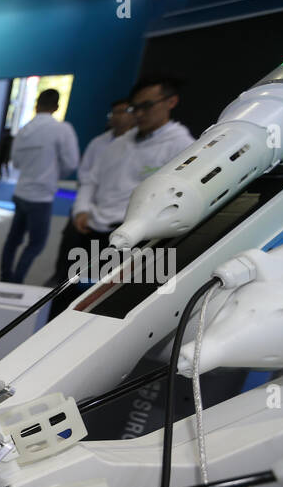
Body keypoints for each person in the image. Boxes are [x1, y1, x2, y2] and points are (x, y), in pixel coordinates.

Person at [50, 76, 195, 316]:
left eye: (147, 106)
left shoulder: (181, 146)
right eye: (134, 108)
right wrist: (82, 209)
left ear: (171, 102)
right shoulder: (117, 144)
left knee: (107, 305)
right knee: (70, 295)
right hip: (93, 230)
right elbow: (91, 179)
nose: (139, 114)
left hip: (133, 241)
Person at [42, 97, 133, 291]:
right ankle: (61, 279)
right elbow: (86, 176)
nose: (118, 117)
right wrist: (83, 208)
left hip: (120, 216)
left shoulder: (141, 146)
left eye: (123, 111)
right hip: (89, 206)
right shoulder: (99, 143)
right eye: (115, 112)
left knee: (106, 263)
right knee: (71, 242)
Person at [0, 89, 79, 284]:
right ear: (57, 106)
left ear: (37, 105)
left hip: (21, 192)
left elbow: (15, 162)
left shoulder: (24, 130)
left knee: (13, 239)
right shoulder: (62, 129)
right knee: (37, 243)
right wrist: (53, 172)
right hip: (41, 196)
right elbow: (71, 163)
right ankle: (17, 279)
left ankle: (5, 276)